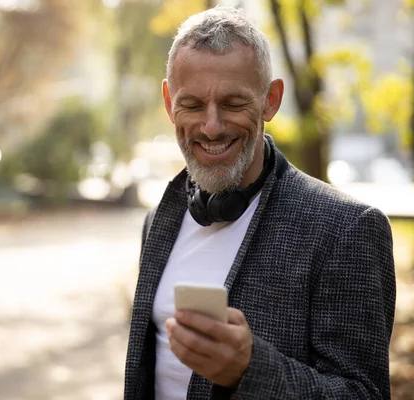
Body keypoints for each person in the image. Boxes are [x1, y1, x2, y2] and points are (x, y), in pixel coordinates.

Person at [124, 6, 396, 400]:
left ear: (271, 100)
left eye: (233, 104)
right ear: (168, 103)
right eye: (193, 105)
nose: (212, 126)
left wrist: (250, 371)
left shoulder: (348, 230)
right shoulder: (159, 218)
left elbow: (364, 394)